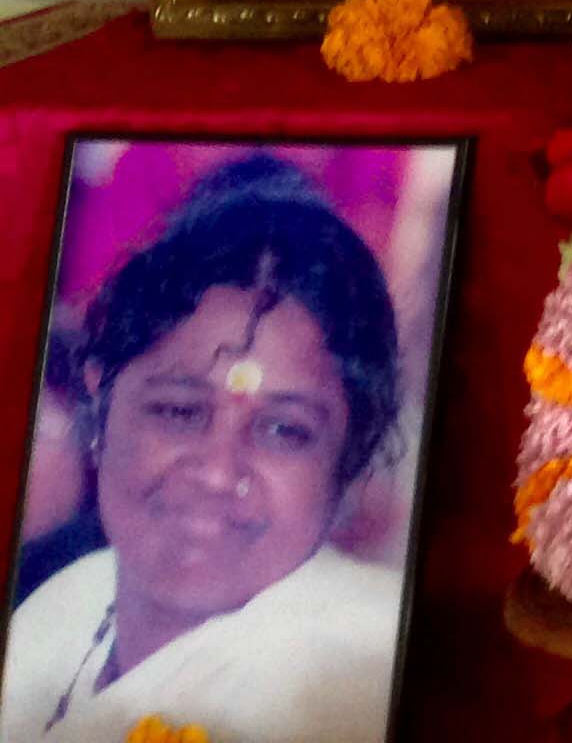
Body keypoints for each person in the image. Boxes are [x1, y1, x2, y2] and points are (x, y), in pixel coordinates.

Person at [0, 157, 411, 743]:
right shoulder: (62, 607)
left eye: (283, 430)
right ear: (100, 400)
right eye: (179, 411)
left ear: (350, 455)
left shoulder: (361, 674)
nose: (218, 471)